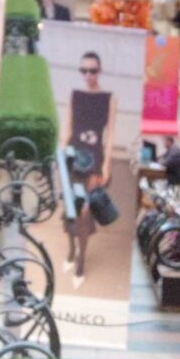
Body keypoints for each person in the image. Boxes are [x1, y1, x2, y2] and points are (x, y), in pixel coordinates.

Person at [65, 52, 117, 288]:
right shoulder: (74, 95)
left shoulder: (109, 98)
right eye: (84, 70)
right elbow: (68, 129)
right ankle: (70, 250)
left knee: (85, 211)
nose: (88, 75)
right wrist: (60, 156)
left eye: (92, 70)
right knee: (71, 208)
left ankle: (80, 262)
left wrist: (106, 165)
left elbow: (110, 134)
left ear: (100, 70)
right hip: (73, 156)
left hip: (94, 159)